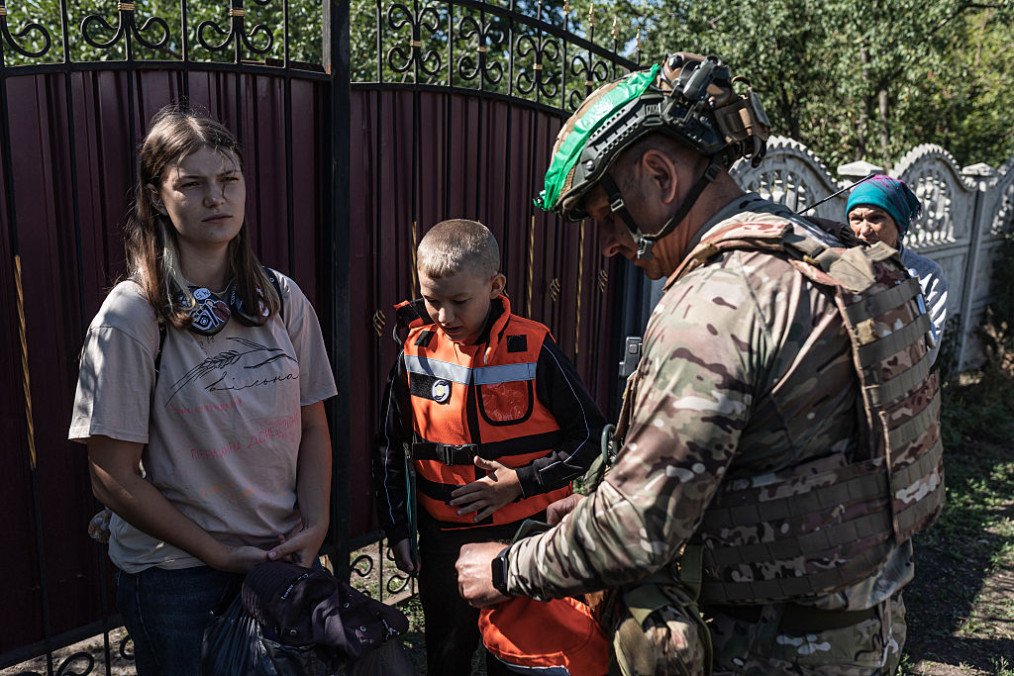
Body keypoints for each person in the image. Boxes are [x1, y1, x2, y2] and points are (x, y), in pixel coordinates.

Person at [456, 53, 943, 674]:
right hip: (860, 631)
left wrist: (503, 568)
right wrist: (607, 502)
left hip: (769, 651)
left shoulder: (718, 300)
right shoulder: (825, 254)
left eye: (608, 215)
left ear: (660, 176)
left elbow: (637, 532)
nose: (606, 245)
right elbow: (788, 459)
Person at [69, 105, 337, 675]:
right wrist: (217, 553)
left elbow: (313, 425)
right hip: (176, 579)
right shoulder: (132, 316)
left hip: (280, 555)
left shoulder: (282, 300)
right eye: (192, 184)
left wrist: (315, 526)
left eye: (228, 180)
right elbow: (111, 474)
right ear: (157, 198)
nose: (217, 197)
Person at [372, 218, 606, 675]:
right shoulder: (415, 351)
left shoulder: (534, 347)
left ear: (496, 285)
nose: (444, 316)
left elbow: (590, 438)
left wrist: (519, 483)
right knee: (447, 655)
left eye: (459, 301)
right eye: (431, 300)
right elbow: (388, 448)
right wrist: (398, 529)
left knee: (523, 659)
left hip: (529, 537)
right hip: (446, 543)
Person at [847, 174, 949, 365]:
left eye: (875, 218)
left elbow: (928, 351)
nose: (863, 231)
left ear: (898, 223)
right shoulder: (838, 267)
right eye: (856, 219)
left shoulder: (926, 275)